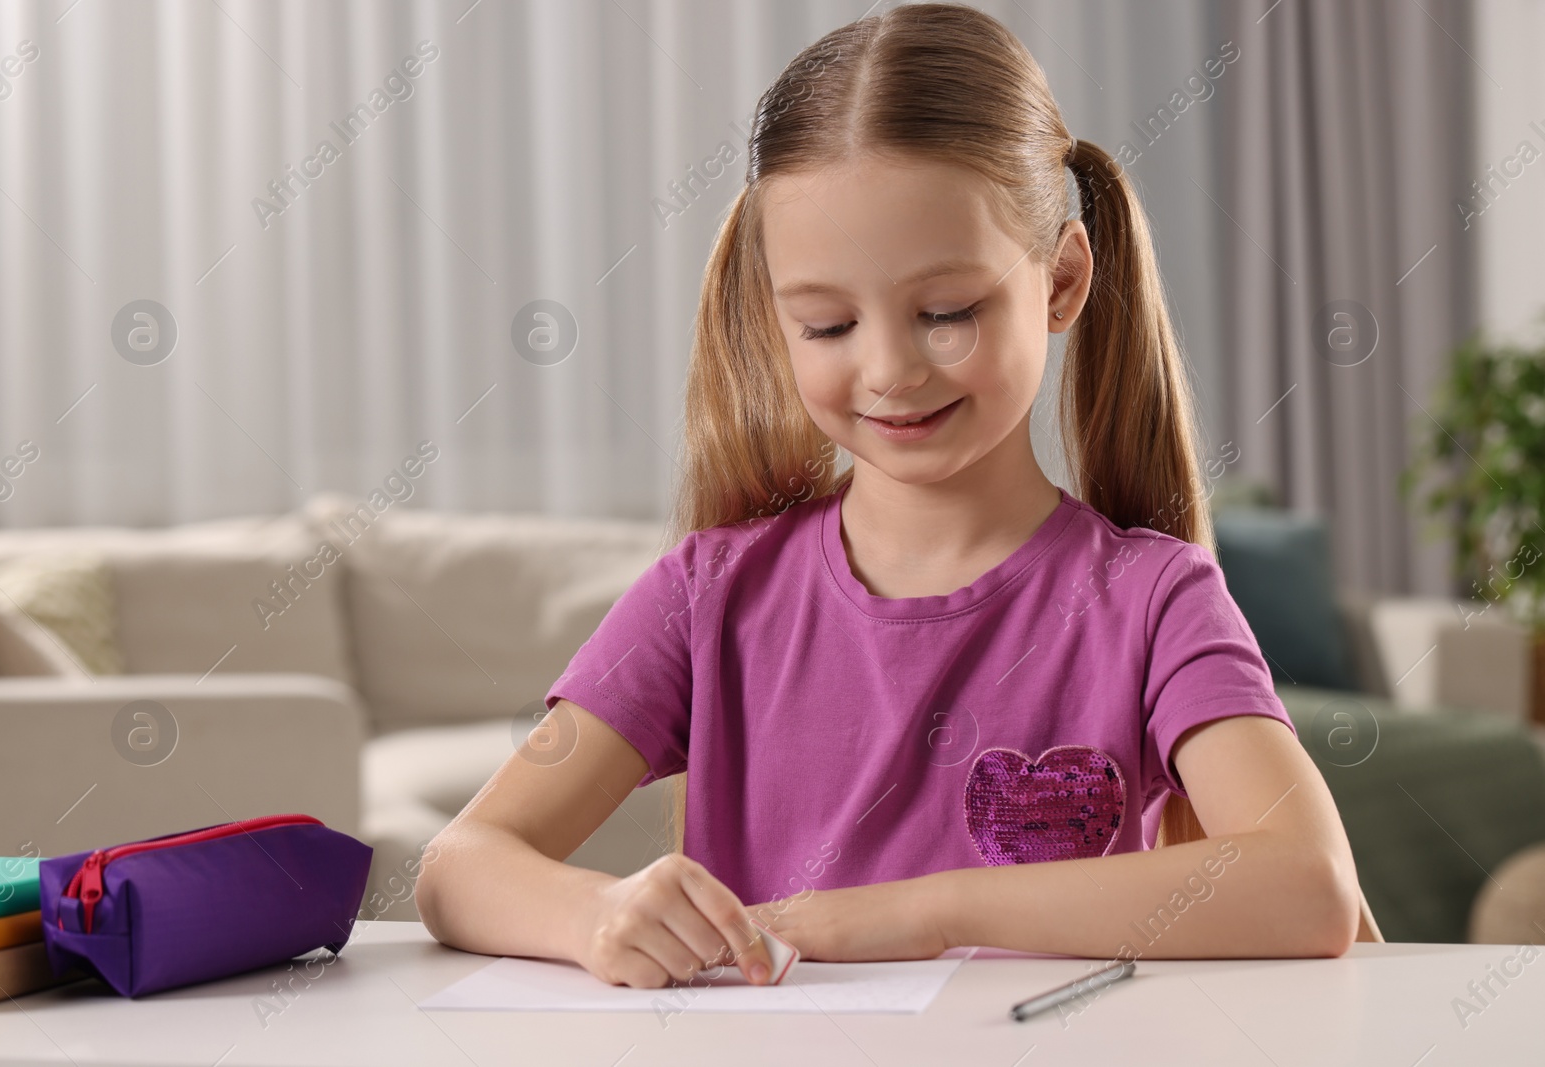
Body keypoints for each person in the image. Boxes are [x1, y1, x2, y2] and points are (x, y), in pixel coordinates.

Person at [416, 1, 1363, 989]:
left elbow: (1305, 885)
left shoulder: (1155, 599)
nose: (889, 369)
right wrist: (597, 912)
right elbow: (459, 868)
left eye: (945, 312)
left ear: (1062, 281)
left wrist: (928, 910)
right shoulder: (707, 595)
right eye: (826, 325)